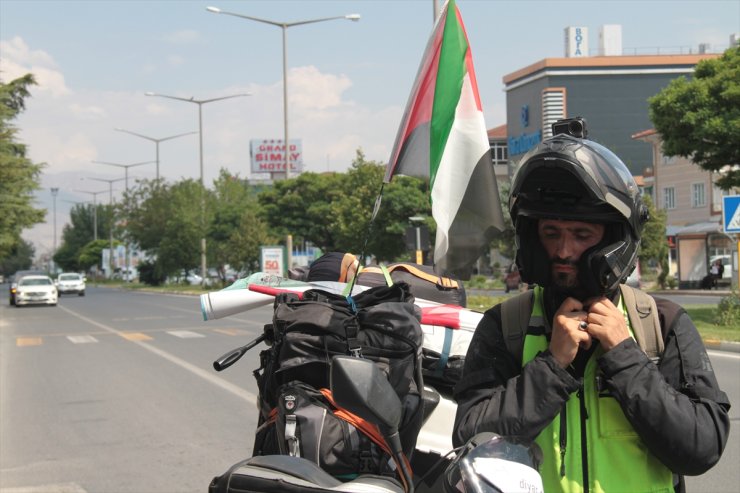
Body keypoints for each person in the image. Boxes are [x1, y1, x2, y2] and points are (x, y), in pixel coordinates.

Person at [452, 126, 730, 493]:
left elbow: (701, 448)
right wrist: (551, 366)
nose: (564, 251)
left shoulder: (661, 324)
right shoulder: (507, 327)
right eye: (551, 233)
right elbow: (471, 441)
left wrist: (626, 357)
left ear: (615, 238)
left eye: (582, 235)